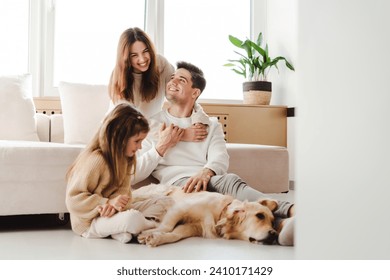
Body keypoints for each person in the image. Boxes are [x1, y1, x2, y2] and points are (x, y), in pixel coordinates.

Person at [135, 61, 295, 246]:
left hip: (209, 179)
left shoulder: (210, 125)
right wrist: (162, 146)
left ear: (195, 93)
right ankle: (284, 220)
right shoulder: (152, 124)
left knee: (231, 189)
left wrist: (206, 171)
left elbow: (220, 157)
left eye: (181, 80)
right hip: (178, 185)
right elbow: (137, 170)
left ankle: (285, 220)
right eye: (172, 78)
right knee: (230, 195)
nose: (172, 82)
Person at [65, 103, 172, 243]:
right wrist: (107, 203)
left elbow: (123, 193)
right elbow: (73, 199)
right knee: (132, 219)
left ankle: (122, 230)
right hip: (90, 222)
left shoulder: (126, 158)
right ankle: (152, 227)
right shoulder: (96, 160)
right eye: (137, 141)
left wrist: (116, 206)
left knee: (167, 202)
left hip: (114, 214)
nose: (139, 147)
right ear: (120, 138)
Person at [108, 27, 208, 142]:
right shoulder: (119, 77)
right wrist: (182, 134)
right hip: (120, 132)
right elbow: (129, 122)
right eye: (134, 55)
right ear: (125, 58)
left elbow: (183, 95)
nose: (142, 59)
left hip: (152, 131)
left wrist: (200, 120)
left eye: (145, 51)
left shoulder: (160, 64)